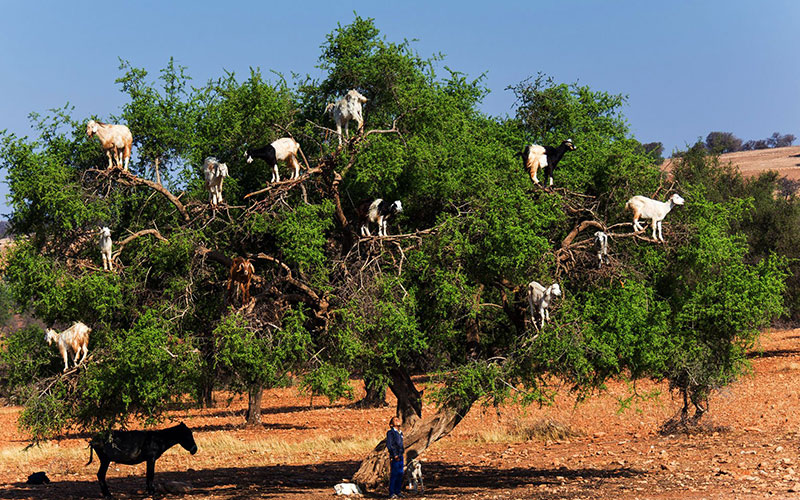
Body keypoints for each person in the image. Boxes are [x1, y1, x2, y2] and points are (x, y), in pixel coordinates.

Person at [386, 416, 404, 498]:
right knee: (394, 474)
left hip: (400, 455)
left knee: (400, 474)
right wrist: (394, 454)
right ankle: (392, 492)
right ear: (391, 424)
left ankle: (398, 491)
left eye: (398, 419)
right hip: (395, 456)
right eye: (395, 420)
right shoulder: (391, 433)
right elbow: (390, 445)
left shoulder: (400, 433)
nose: (398, 421)